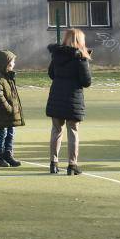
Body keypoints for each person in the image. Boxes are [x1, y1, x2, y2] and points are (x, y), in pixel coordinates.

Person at [45, 29, 93, 175]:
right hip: (73, 98)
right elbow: (86, 81)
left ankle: (53, 163)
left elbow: (51, 74)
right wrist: (85, 60)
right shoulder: (80, 58)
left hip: (57, 96)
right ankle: (72, 165)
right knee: (73, 131)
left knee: (56, 130)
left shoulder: (56, 55)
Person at [0, 50, 24, 167]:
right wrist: (9, 108)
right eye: (12, 62)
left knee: (10, 133)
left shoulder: (9, 76)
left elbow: (13, 95)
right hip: (2, 113)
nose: (13, 64)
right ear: (5, 63)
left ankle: (8, 155)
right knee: (2, 133)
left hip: (10, 114)